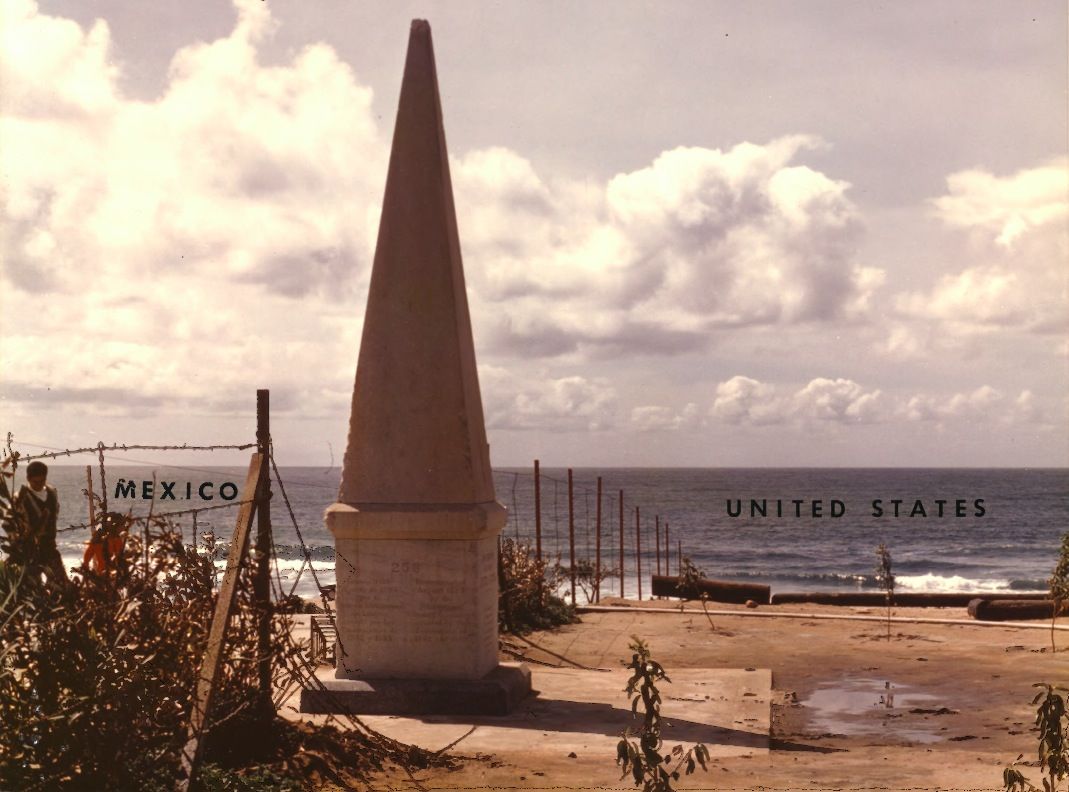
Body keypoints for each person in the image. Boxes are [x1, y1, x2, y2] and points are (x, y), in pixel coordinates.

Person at [12, 460, 69, 585]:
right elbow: (18, 525)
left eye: (42, 481)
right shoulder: (20, 497)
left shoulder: (52, 493)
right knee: (34, 587)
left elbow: (55, 513)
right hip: (30, 550)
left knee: (62, 584)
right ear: (28, 478)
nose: (39, 485)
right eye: (35, 482)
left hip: (49, 546)